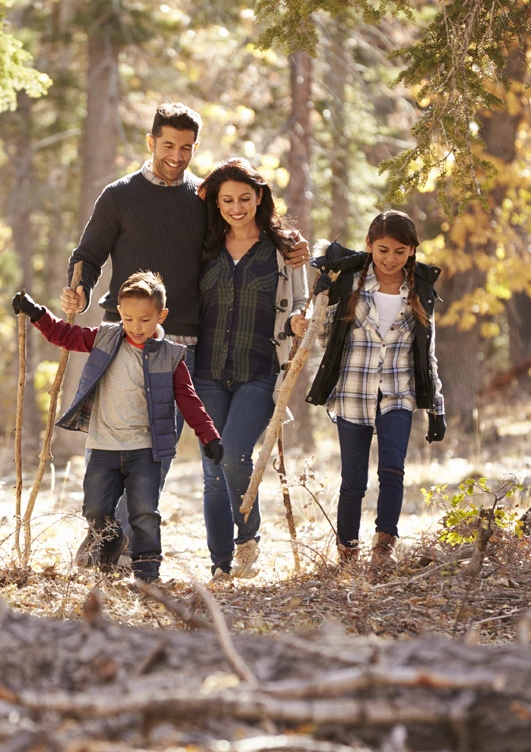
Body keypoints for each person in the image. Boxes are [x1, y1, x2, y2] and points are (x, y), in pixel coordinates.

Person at [58, 102, 309, 548]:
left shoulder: (202, 199)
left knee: (159, 449)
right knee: (117, 441)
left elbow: (244, 228)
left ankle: (118, 543)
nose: (177, 155)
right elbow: (88, 256)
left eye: (187, 147)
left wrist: (290, 243)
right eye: (168, 145)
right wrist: (77, 287)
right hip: (122, 336)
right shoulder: (118, 195)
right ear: (151, 142)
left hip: (183, 343)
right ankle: (104, 531)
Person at [12, 271, 223, 583]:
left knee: (144, 513)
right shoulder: (106, 338)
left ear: (161, 315)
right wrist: (37, 313)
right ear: (120, 314)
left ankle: (147, 571)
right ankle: (110, 541)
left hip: (145, 450)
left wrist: (208, 435)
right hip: (103, 446)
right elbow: (66, 336)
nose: (136, 327)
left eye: (145, 320)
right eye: (128, 319)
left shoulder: (170, 355)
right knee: (95, 509)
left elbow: (188, 398)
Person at [306, 210, 446, 568]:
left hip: (398, 393)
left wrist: (436, 407)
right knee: (353, 481)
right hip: (353, 392)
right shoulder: (350, 282)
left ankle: (384, 547)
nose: (390, 258)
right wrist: (324, 300)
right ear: (369, 245)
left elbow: (426, 352)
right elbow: (323, 339)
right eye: (383, 249)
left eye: (400, 251)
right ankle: (347, 552)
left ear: (412, 250)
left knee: (392, 470)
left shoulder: (420, 290)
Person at [193, 158, 309, 584]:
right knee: (211, 469)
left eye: (245, 198)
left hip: (260, 370)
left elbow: (302, 301)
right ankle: (220, 564)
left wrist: (300, 319)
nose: (237, 207)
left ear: (259, 197)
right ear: (217, 203)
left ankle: (247, 536)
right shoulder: (204, 244)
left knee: (235, 453)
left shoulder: (284, 249)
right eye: (227, 200)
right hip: (206, 371)